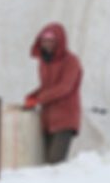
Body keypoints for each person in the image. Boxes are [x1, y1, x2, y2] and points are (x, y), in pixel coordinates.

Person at [23, 22, 82, 164]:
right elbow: (47, 86)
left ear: (59, 41)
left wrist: (39, 99)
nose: (46, 44)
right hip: (47, 119)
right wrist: (33, 96)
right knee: (44, 162)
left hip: (64, 118)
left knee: (55, 163)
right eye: (44, 40)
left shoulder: (71, 61)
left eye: (50, 40)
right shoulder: (44, 62)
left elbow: (65, 87)